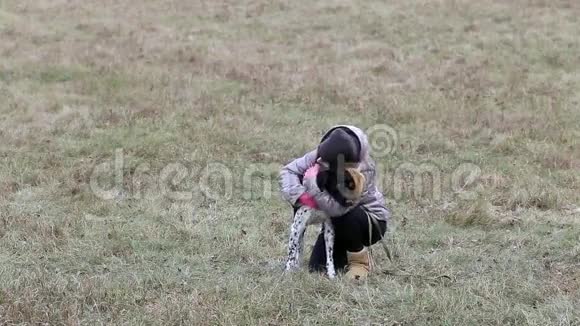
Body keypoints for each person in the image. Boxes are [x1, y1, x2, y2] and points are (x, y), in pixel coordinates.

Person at [279, 125, 390, 281]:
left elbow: (338, 209)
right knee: (318, 269)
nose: (323, 164)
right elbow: (288, 171)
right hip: (335, 224)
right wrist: (300, 196)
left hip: (369, 223)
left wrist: (312, 184)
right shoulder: (326, 152)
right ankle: (342, 253)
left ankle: (360, 259)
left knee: (345, 214)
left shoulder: (363, 169)